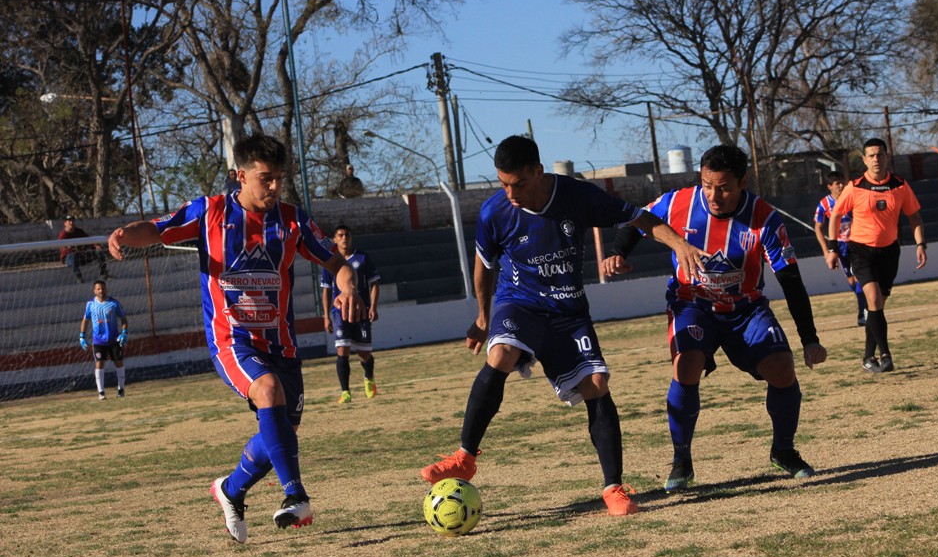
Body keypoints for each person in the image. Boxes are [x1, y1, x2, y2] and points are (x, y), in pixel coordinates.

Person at [419, 134, 701, 516]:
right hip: (518, 301)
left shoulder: (577, 196)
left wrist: (679, 245)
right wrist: (484, 317)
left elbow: (639, 217)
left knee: (596, 385)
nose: (511, 193)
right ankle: (465, 458)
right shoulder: (494, 213)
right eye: (503, 184)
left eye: (518, 183)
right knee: (502, 352)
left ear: (538, 170)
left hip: (568, 311)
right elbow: (484, 265)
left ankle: (614, 489)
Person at [108, 134, 365, 544]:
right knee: (267, 389)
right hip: (232, 341)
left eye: (280, 178)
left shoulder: (292, 219)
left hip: (282, 344)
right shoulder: (209, 212)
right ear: (240, 176)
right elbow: (156, 230)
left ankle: (230, 489)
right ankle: (295, 494)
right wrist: (123, 234)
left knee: (282, 430)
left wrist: (348, 285)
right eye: (266, 179)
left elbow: (336, 263)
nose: (275, 187)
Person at [603, 145, 828, 492]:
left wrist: (809, 338)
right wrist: (618, 251)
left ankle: (783, 450)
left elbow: (791, 281)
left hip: (746, 310)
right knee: (686, 365)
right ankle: (681, 460)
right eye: (708, 185)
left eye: (723, 187)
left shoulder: (764, 218)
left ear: (742, 182)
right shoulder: (680, 202)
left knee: (783, 370)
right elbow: (638, 218)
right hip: (691, 304)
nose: (714, 195)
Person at [827, 138, 926, 373]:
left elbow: (914, 216)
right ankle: (886, 355)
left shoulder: (900, 185)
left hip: (890, 252)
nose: (875, 159)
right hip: (861, 251)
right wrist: (832, 249)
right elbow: (835, 216)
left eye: (879, 155)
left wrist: (921, 243)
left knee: (877, 306)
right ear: (864, 159)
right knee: (872, 299)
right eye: (870, 155)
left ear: (886, 157)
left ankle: (867, 356)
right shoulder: (855, 186)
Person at [320, 224, 381, 403]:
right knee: (342, 350)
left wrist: (373, 307)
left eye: (347, 235)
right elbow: (325, 290)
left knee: (364, 353)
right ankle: (345, 391)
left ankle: (369, 377)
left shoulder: (362, 258)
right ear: (335, 239)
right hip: (339, 313)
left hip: (361, 312)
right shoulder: (330, 262)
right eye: (341, 235)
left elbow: (374, 284)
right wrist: (326, 316)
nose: (344, 238)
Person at [814, 171, 868, 326]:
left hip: (856, 243)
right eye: (837, 183)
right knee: (851, 281)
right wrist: (827, 251)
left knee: (858, 277)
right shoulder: (824, 204)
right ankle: (864, 304)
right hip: (839, 246)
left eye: (842, 182)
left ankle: (862, 313)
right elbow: (818, 227)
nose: (841, 186)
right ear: (830, 187)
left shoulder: (851, 198)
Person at [79, 279, 128, 400]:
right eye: (98, 289)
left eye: (103, 288)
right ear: (94, 290)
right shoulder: (90, 304)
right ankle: (101, 392)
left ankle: (121, 390)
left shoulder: (114, 303)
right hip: (98, 341)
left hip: (114, 340)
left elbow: (123, 319)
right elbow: (85, 320)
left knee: (118, 362)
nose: (101, 291)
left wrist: (124, 333)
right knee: (99, 363)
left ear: (106, 289)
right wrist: (82, 336)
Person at [59, 215, 109, 283]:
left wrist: (96, 245)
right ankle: (78, 277)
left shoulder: (79, 231)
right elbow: (65, 248)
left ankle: (103, 274)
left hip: (82, 255)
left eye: (72, 221)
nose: (71, 223)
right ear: (65, 223)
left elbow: (89, 240)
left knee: (99, 252)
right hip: (69, 258)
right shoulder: (63, 235)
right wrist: (75, 249)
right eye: (69, 221)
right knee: (73, 256)